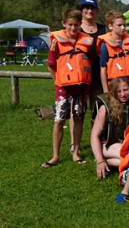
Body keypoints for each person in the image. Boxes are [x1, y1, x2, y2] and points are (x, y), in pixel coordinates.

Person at [42, 9, 94, 168]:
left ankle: (76, 152)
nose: (73, 28)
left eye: (76, 25)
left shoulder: (86, 41)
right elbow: (51, 64)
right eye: (70, 25)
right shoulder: (56, 41)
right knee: (59, 120)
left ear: (80, 25)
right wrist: (57, 80)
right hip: (63, 86)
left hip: (81, 86)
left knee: (78, 118)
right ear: (64, 24)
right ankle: (55, 156)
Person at [91, 77, 129, 179]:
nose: (123, 94)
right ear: (113, 92)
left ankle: (110, 163)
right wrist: (100, 160)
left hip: (126, 143)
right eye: (119, 91)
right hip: (108, 145)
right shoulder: (105, 108)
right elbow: (94, 135)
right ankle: (102, 161)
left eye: (126, 90)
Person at [98, 11, 129, 93]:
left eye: (124, 25)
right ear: (110, 26)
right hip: (114, 86)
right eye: (119, 25)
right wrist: (106, 91)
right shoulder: (105, 45)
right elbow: (103, 69)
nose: (123, 28)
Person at [78, 0, 106, 110]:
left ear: (97, 10)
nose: (90, 11)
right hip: (81, 75)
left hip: (98, 74)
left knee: (97, 108)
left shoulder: (102, 28)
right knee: (78, 111)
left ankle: (96, 128)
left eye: (92, 8)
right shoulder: (76, 28)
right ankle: (74, 129)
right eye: (87, 8)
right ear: (81, 10)